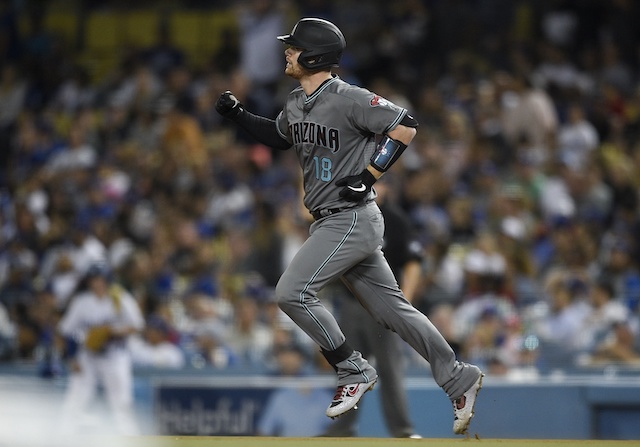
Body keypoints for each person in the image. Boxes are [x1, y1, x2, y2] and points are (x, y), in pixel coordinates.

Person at [215, 17, 483, 435]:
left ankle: (350, 369)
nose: (287, 51)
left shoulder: (348, 97)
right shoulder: (295, 100)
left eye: (295, 46)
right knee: (394, 312)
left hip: (349, 216)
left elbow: (406, 125)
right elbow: (280, 136)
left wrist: (371, 174)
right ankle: (457, 377)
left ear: (315, 55)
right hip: (334, 220)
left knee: (291, 292)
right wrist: (239, 116)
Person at [319, 177, 423, 438]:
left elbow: (413, 262)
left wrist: (404, 303)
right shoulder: (349, 215)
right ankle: (342, 428)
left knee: (390, 369)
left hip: (382, 306)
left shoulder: (395, 220)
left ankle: (402, 431)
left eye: (382, 183)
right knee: (349, 370)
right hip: (351, 304)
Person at [56, 263, 144, 435]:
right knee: (76, 399)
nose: (97, 283)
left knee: (121, 402)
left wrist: (112, 331)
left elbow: (138, 326)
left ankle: (130, 438)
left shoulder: (120, 298)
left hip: (115, 354)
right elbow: (64, 330)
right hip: (88, 356)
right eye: (93, 279)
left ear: (107, 280)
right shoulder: (82, 302)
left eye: (100, 279)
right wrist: (71, 358)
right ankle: (63, 437)